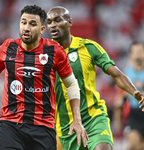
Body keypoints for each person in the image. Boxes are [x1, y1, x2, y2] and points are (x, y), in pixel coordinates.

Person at [0, 5, 88, 150]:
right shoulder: (8, 47)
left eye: (32, 24)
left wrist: (77, 120)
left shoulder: (55, 51)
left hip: (43, 127)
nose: (26, 28)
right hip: (10, 125)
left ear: (42, 29)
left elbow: (72, 84)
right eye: (23, 22)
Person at [46, 6, 144, 150]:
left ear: (70, 22)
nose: (53, 24)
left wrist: (135, 92)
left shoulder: (88, 47)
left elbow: (116, 74)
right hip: (65, 126)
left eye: (57, 20)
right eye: (49, 22)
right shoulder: (45, 56)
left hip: (93, 117)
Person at [113, 41, 144, 150]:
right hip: (134, 113)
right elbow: (121, 95)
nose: (138, 54)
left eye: (140, 51)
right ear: (131, 55)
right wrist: (118, 113)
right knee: (132, 145)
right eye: (135, 52)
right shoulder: (127, 72)